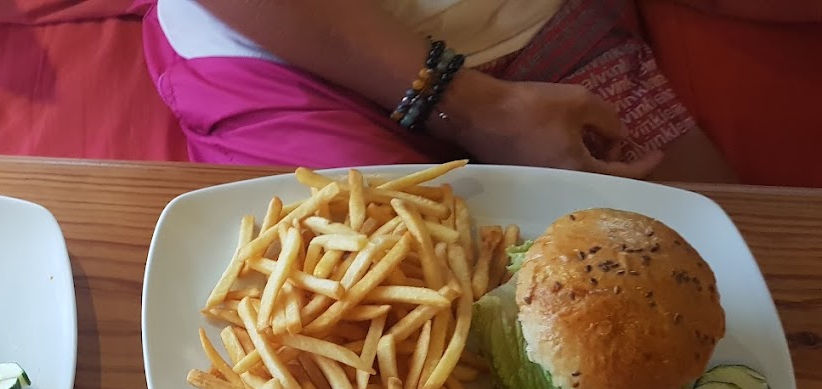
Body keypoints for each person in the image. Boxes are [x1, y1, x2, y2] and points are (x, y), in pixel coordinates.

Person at [138, 0, 738, 182]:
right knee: (362, 334)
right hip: (287, 52)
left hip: (537, 28)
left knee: (713, 272)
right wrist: (482, 111)